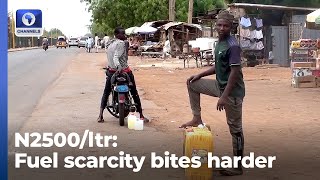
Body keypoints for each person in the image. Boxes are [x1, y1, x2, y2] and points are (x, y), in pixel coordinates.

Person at [179, 11, 245, 176]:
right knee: (192, 84)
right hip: (219, 85)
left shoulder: (233, 45)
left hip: (232, 92)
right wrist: (200, 75)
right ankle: (197, 117)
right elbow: (219, 67)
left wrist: (224, 97)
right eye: (220, 25)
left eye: (226, 26)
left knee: (235, 129)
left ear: (231, 27)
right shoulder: (220, 43)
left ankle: (238, 167)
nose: (222, 28)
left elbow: (234, 72)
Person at [97, 27, 149, 123]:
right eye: (122, 34)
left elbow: (111, 57)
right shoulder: (121, 43)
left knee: (106, 92)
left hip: (111, 71)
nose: (124, 35)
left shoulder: (110, 43)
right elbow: (116, 57)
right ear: (117, 35)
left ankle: (100, 115)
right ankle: (141, 115)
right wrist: (119, 68)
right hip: (123, 71)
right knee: (134, 92)